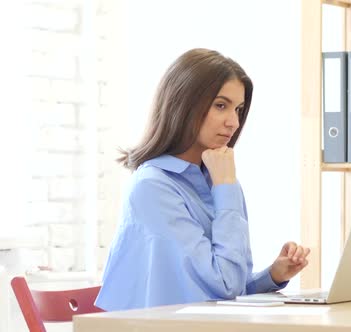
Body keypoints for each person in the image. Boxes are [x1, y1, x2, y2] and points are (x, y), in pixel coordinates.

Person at [95, 48, 310, 311]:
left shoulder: (217, 180)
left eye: (239, 109)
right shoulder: (152, 187)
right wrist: (226, 188)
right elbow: (223, 285)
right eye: (221, 106)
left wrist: (273, 275)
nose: (233, 122)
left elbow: (225, 291)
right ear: (184, 105)